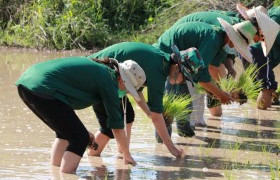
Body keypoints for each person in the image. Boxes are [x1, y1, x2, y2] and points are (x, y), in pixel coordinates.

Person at [15, 56, 145, 173]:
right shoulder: (110, 80)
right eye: (128, 90)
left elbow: (65, 109)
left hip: (27, 83)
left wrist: (83, 131)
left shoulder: (101, 71)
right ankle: (66, 175)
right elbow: (116, 125)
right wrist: (127, 155)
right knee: (80, 139)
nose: (126, 94)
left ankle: (55, 174)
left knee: (66, 134)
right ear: (122, 80)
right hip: (43, 87)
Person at [87, 42, 196, 157]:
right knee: (108, 127)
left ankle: (123, 153)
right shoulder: (159, 72)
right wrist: (172, 149)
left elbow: (136, 89)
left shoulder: (162, 60)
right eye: (184, 78)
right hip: (96, 75)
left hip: (110, 76)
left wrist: (148, 113)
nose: (182, 82)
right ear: (177, 68)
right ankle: (93, 157)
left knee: (128, 116)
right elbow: (157, 117)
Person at [166, 11, 243, 123]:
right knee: (186, 98)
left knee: (201, 91)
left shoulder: (229, 34)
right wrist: (225, 91)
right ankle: (186, 131)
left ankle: (200, 125)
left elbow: (225, 57)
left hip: (191, 56)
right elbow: (207, 70)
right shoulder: (216, 37)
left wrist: (229, 70)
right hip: (178, 54)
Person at [236, 4, 280, 109]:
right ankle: (264, 122)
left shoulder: (275, 12)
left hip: (249, 47)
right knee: (267, 87)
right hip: (258, 50)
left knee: (258, 86)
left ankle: (256, 118)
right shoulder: (276, 16)